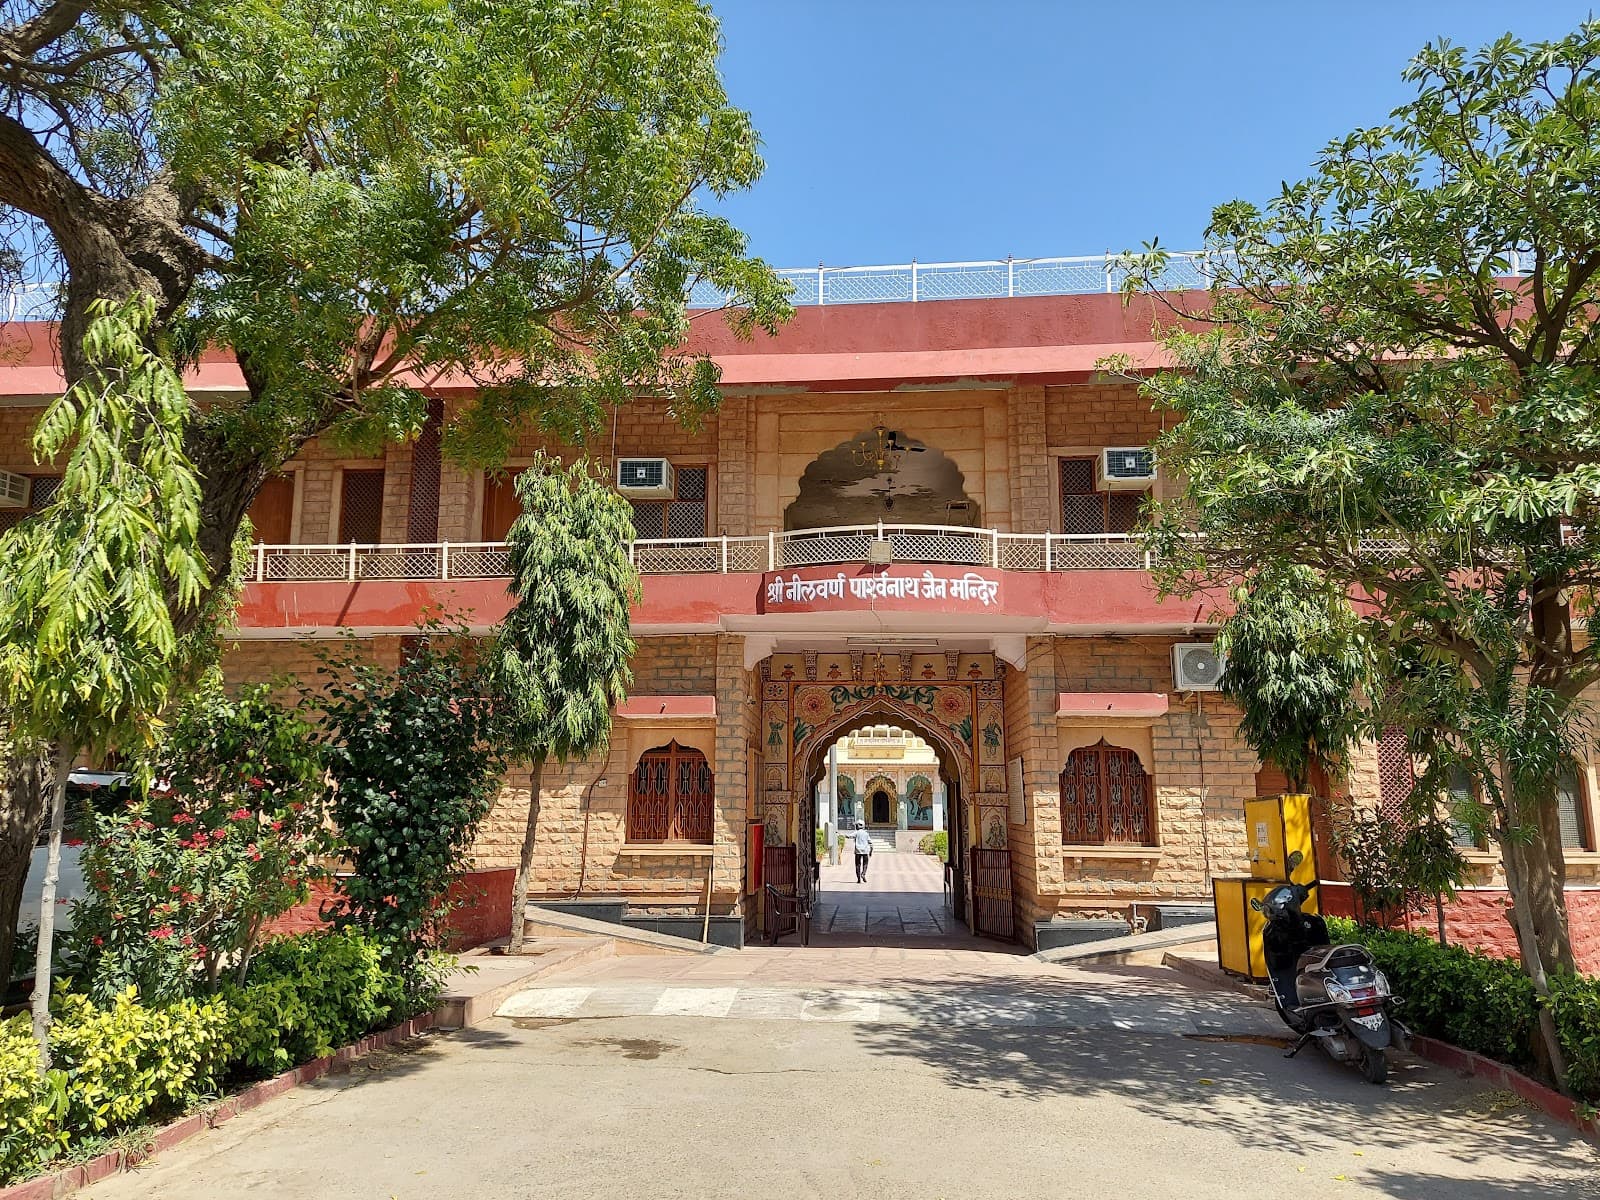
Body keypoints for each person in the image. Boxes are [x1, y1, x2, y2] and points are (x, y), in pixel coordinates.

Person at [852, 819, 873, 883]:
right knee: (865, 864)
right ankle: (863, 874)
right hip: (865, 851)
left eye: (856, 825)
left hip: (858, 851)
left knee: (857, 865)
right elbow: (871, 843)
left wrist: (840, 834)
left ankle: (858, 879)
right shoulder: (866, 833)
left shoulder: (856, 832)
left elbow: (849, 836)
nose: (856, 826)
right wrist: (871, 851)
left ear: (859, 825)